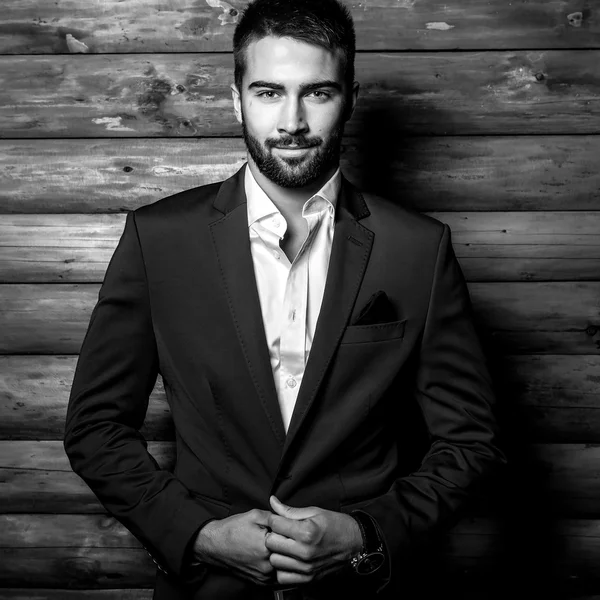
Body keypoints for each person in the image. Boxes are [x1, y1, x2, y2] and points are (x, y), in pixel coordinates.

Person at [63, 0, 506, 598]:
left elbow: (470, 443)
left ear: (349, 95)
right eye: (269, 92)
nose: (292, 121)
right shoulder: (159, 239)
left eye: (317, 93)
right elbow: (95, 427)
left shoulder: (418, 250)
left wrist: (367, 533)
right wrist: (198, 535)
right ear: (236, 95)